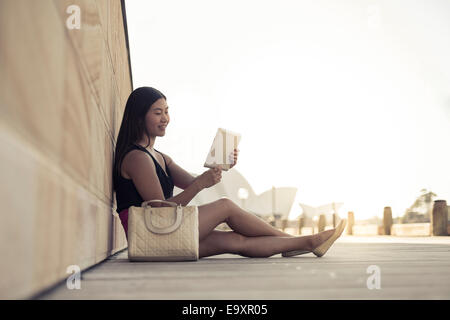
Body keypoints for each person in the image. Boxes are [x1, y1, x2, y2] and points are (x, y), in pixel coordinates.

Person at [113, 87, 346, 259]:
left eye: (166, 111)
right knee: (225, 205)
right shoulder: (137, 158)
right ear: (139, 116)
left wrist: (221, 166)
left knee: (236, 241)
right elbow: (161, 209)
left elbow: (192, 182)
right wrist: (201, 184)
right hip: (151, 236)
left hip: (162, 235)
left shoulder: (159, 157)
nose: (165, 118)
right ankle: (300, 242)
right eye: (157, 113)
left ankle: (297, 244)